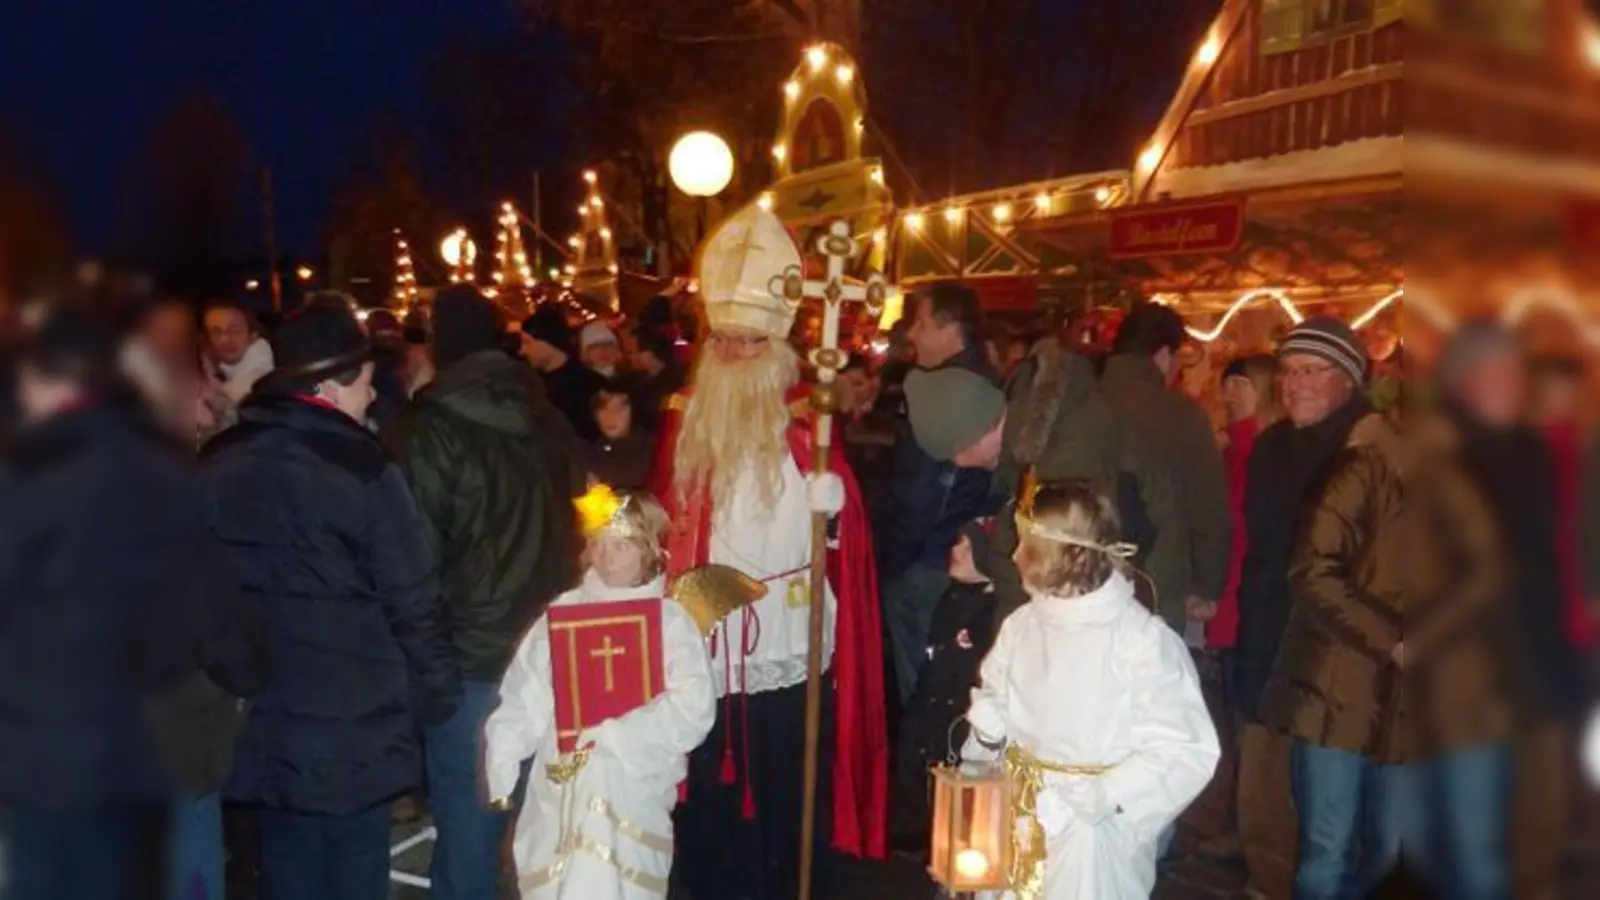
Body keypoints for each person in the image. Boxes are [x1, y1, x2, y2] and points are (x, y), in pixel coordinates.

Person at [647, 204, 888, 898]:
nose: (731, 354)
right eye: (721, 339)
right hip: (706, 637)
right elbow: (666, 523)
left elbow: (847, 540)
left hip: (790, 630)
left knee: (789, 778)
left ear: (777, 346)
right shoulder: (683, 418)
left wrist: (833, 509)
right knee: (710, 792)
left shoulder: (808, 420)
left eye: (748, 341)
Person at [200, 302, 461, 900]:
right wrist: (438, 695)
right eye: (367, 383)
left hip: (260, 713)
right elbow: (414, 596)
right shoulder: (362, 467)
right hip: (355, 723)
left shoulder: (217, 462)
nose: (373, 398)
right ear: (327, 387)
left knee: (286, 861)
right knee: (352, 866)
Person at [389, 285, 584, 900]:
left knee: (470, 824)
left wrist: (419, 660)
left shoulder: (429, 428)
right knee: (542, 823)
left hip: (471, 657)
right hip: (549, 649)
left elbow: (413, 556)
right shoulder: (546, 415)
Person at [961, 480, 1219, 899]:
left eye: (1024, 543)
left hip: (1089, 832)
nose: (1013, 555)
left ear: (1065, 555)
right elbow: (999, 693)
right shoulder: (1023, 626)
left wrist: (1107, 794)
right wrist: (990, 729)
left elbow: (1184, 748)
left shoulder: (1139, 641)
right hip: (1018, 814)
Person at [484, 489, 716, 898]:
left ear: (648, 551)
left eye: (622, 546)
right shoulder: (564, 611)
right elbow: (529, 688)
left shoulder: (669, 622)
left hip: (629, 784)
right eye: (599, 544)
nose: (608, 558)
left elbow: (692, 707)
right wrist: (504, 749)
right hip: (561, 781)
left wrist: (618, 734)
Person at [1234, 317, 1374, 900]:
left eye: (1311, 370)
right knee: (1261, 803)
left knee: (1330, 828)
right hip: (1268, 643)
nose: (1294, 384)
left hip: (1339, 662)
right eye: (1288, 372)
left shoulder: (1371, 450)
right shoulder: (1271, 448)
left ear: (1347, 379)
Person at [878, 283, 999, 704]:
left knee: (927, 691)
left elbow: (920, 495)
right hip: (968, 556)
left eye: (922, 324)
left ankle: (928, 766)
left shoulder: (944, 397)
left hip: (928, 563)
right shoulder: (985, 384)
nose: (912, 334)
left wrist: (891, 563)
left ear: (953, 330)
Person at [1195, 353, 1281, 863]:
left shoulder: (1253, 451)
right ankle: (1242, 827)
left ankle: (1249, 833)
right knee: (1236, 717)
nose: (1228, 394)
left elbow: (1237, 536)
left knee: (1245, 719)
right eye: (1227, 385)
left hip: (1239, 604)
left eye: (1240, 385)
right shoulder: (1237, 448)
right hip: (1232, 602)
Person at [1099, 303, 1230, 639]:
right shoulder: (1182, 415)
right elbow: (1207, 506)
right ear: (1161, 355)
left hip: (1086, 574)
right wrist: (1206, 585)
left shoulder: (1085, 400)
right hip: (1158, 580)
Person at [895, 518, 1000, 843]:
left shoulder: (993, 614)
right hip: (933, 722)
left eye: (968, 547)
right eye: (958, 542)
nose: (955, 551)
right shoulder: (950, 600)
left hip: (964, 730)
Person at [524, 305, 606, 442]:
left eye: (527, 343)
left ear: (546, 342)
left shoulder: (589, 384)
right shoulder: (530, 383)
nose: (523, 351)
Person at [202, 300, 274, 404]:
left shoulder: (260, 382)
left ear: (253, 335)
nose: (225, 339)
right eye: (216, 332)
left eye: (235, 331)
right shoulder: (205, 367)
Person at [586, 380, 654, 490]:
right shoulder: (588, 454)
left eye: (619, 408)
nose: (610, 416)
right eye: (602, 408)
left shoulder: (655, 452)